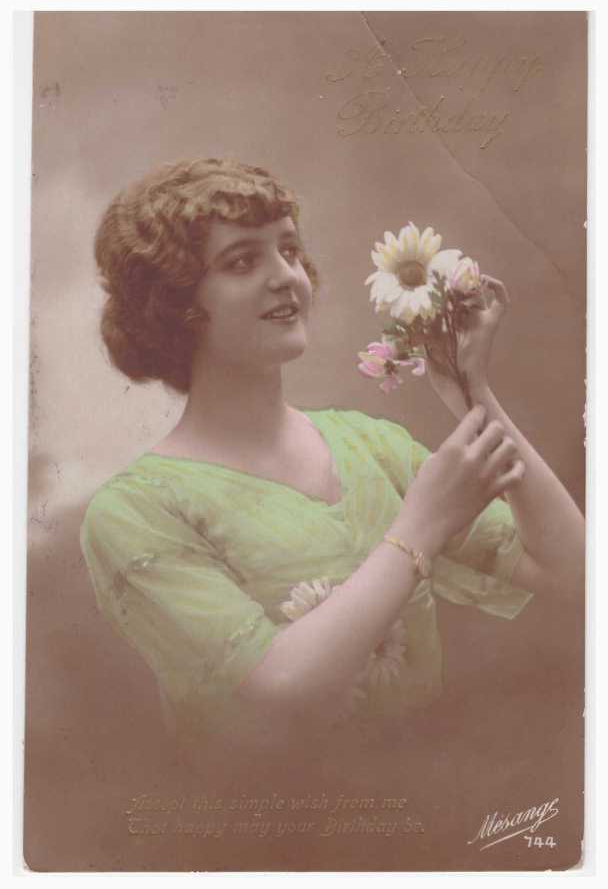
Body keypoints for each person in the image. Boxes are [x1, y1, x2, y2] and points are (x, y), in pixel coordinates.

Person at [80, 157, 584, 783]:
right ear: (177, 305)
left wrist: (473, 390)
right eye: (242, 262)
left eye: (289, 251)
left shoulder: (370, 445)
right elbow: (281, 686)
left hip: (434, 807)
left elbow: (575, 572)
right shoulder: (137, 509)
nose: (285, 277)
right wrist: (421, 528)